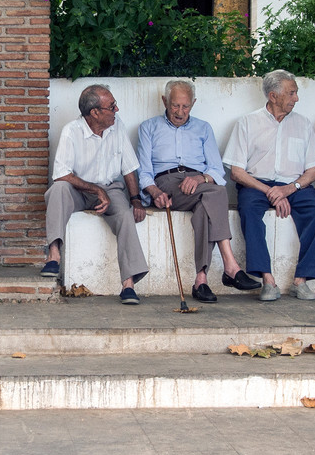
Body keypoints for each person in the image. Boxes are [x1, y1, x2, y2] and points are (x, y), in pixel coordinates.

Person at [136, 79, 261, 304]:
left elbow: (215, 168)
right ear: (164, 101)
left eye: (185, 106)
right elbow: (144, 172)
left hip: (199, 183)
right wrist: (155, 192)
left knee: (205, 207)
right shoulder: (149, 127)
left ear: (193, 104)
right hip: (167, 183)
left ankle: (200, 280)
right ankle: (231, 266)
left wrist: (200, 178)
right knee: (217, 192)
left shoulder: (203, 128)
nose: (180, 112)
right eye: (175, 105)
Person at [223, 69, 315, 301]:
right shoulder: (247, 123)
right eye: (291, 93)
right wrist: (271, 192)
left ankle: (302, 280)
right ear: (273, 96)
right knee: (249, 211)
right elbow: (237, 172)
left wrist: (288, 189)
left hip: (295, 186)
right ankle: (267, 279)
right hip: (256, 185)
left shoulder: (303, 124)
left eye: (296, 93)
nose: (296, 98)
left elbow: (313, 170)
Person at [42, 84, 148, 305]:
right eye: (112, 106)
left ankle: (128, 284)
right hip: (79, 189)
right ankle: (53, 256)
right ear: (95, 113)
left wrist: (136, 199)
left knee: (125, 215)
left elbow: (129, 167)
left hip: (111, 189)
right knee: (57, 190)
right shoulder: (72, 131)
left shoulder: (117, 126)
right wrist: (95, 189)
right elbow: (61, 174)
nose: (117, 110)